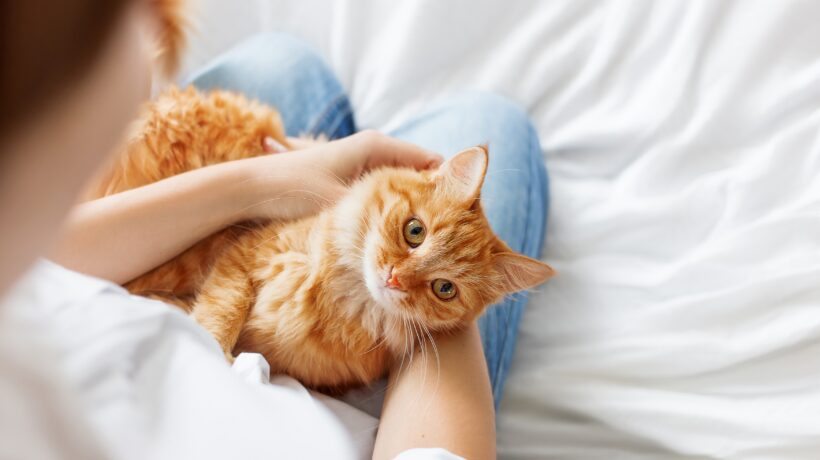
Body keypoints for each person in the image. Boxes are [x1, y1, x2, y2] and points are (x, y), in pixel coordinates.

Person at [0, 1, 548, 459]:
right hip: (299, 316)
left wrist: (266, 180)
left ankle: (323, 155)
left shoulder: (23, 305)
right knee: (490, 118)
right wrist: (461, 286)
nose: (403, 277)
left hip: (247, 201)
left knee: (282, 63)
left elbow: (43, 257)